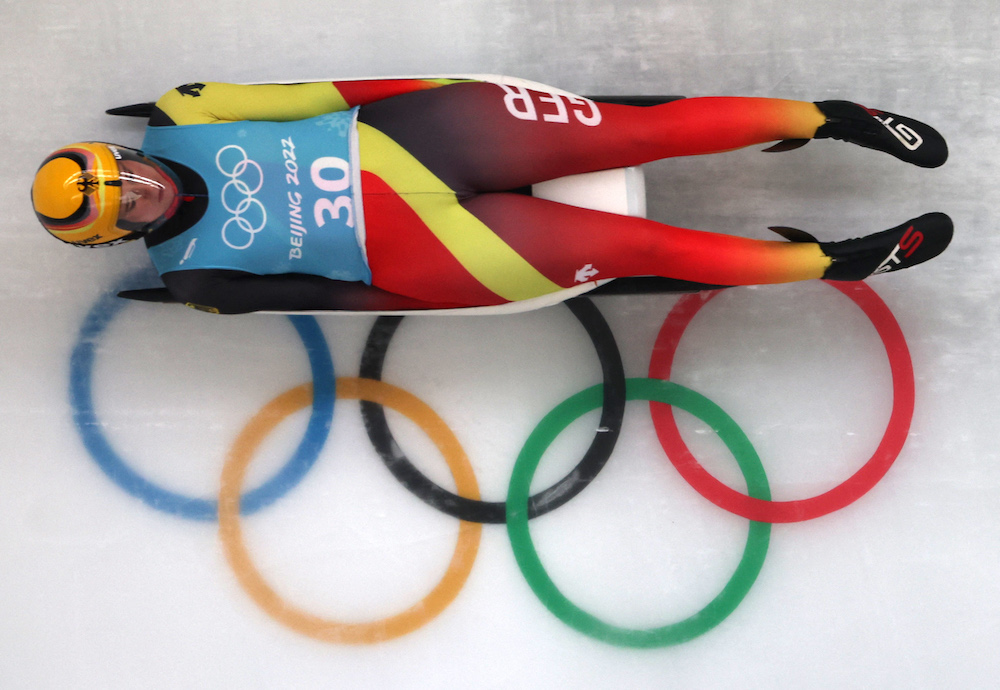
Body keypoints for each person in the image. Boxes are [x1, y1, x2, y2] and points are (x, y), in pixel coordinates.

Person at [30, 78, 952, 314]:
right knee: (645, 250)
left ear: (129, 150)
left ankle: (829, 115)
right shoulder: (194, 278)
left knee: (636, 128)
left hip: (416, 133)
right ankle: (832, 262)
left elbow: (338, 91)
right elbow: (332, 298)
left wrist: (452, 89)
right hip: (424, 254)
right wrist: (450, 301)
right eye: (134, 205)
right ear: (126, 235)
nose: (149, 187)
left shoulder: (193, 113)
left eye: (132, 171)